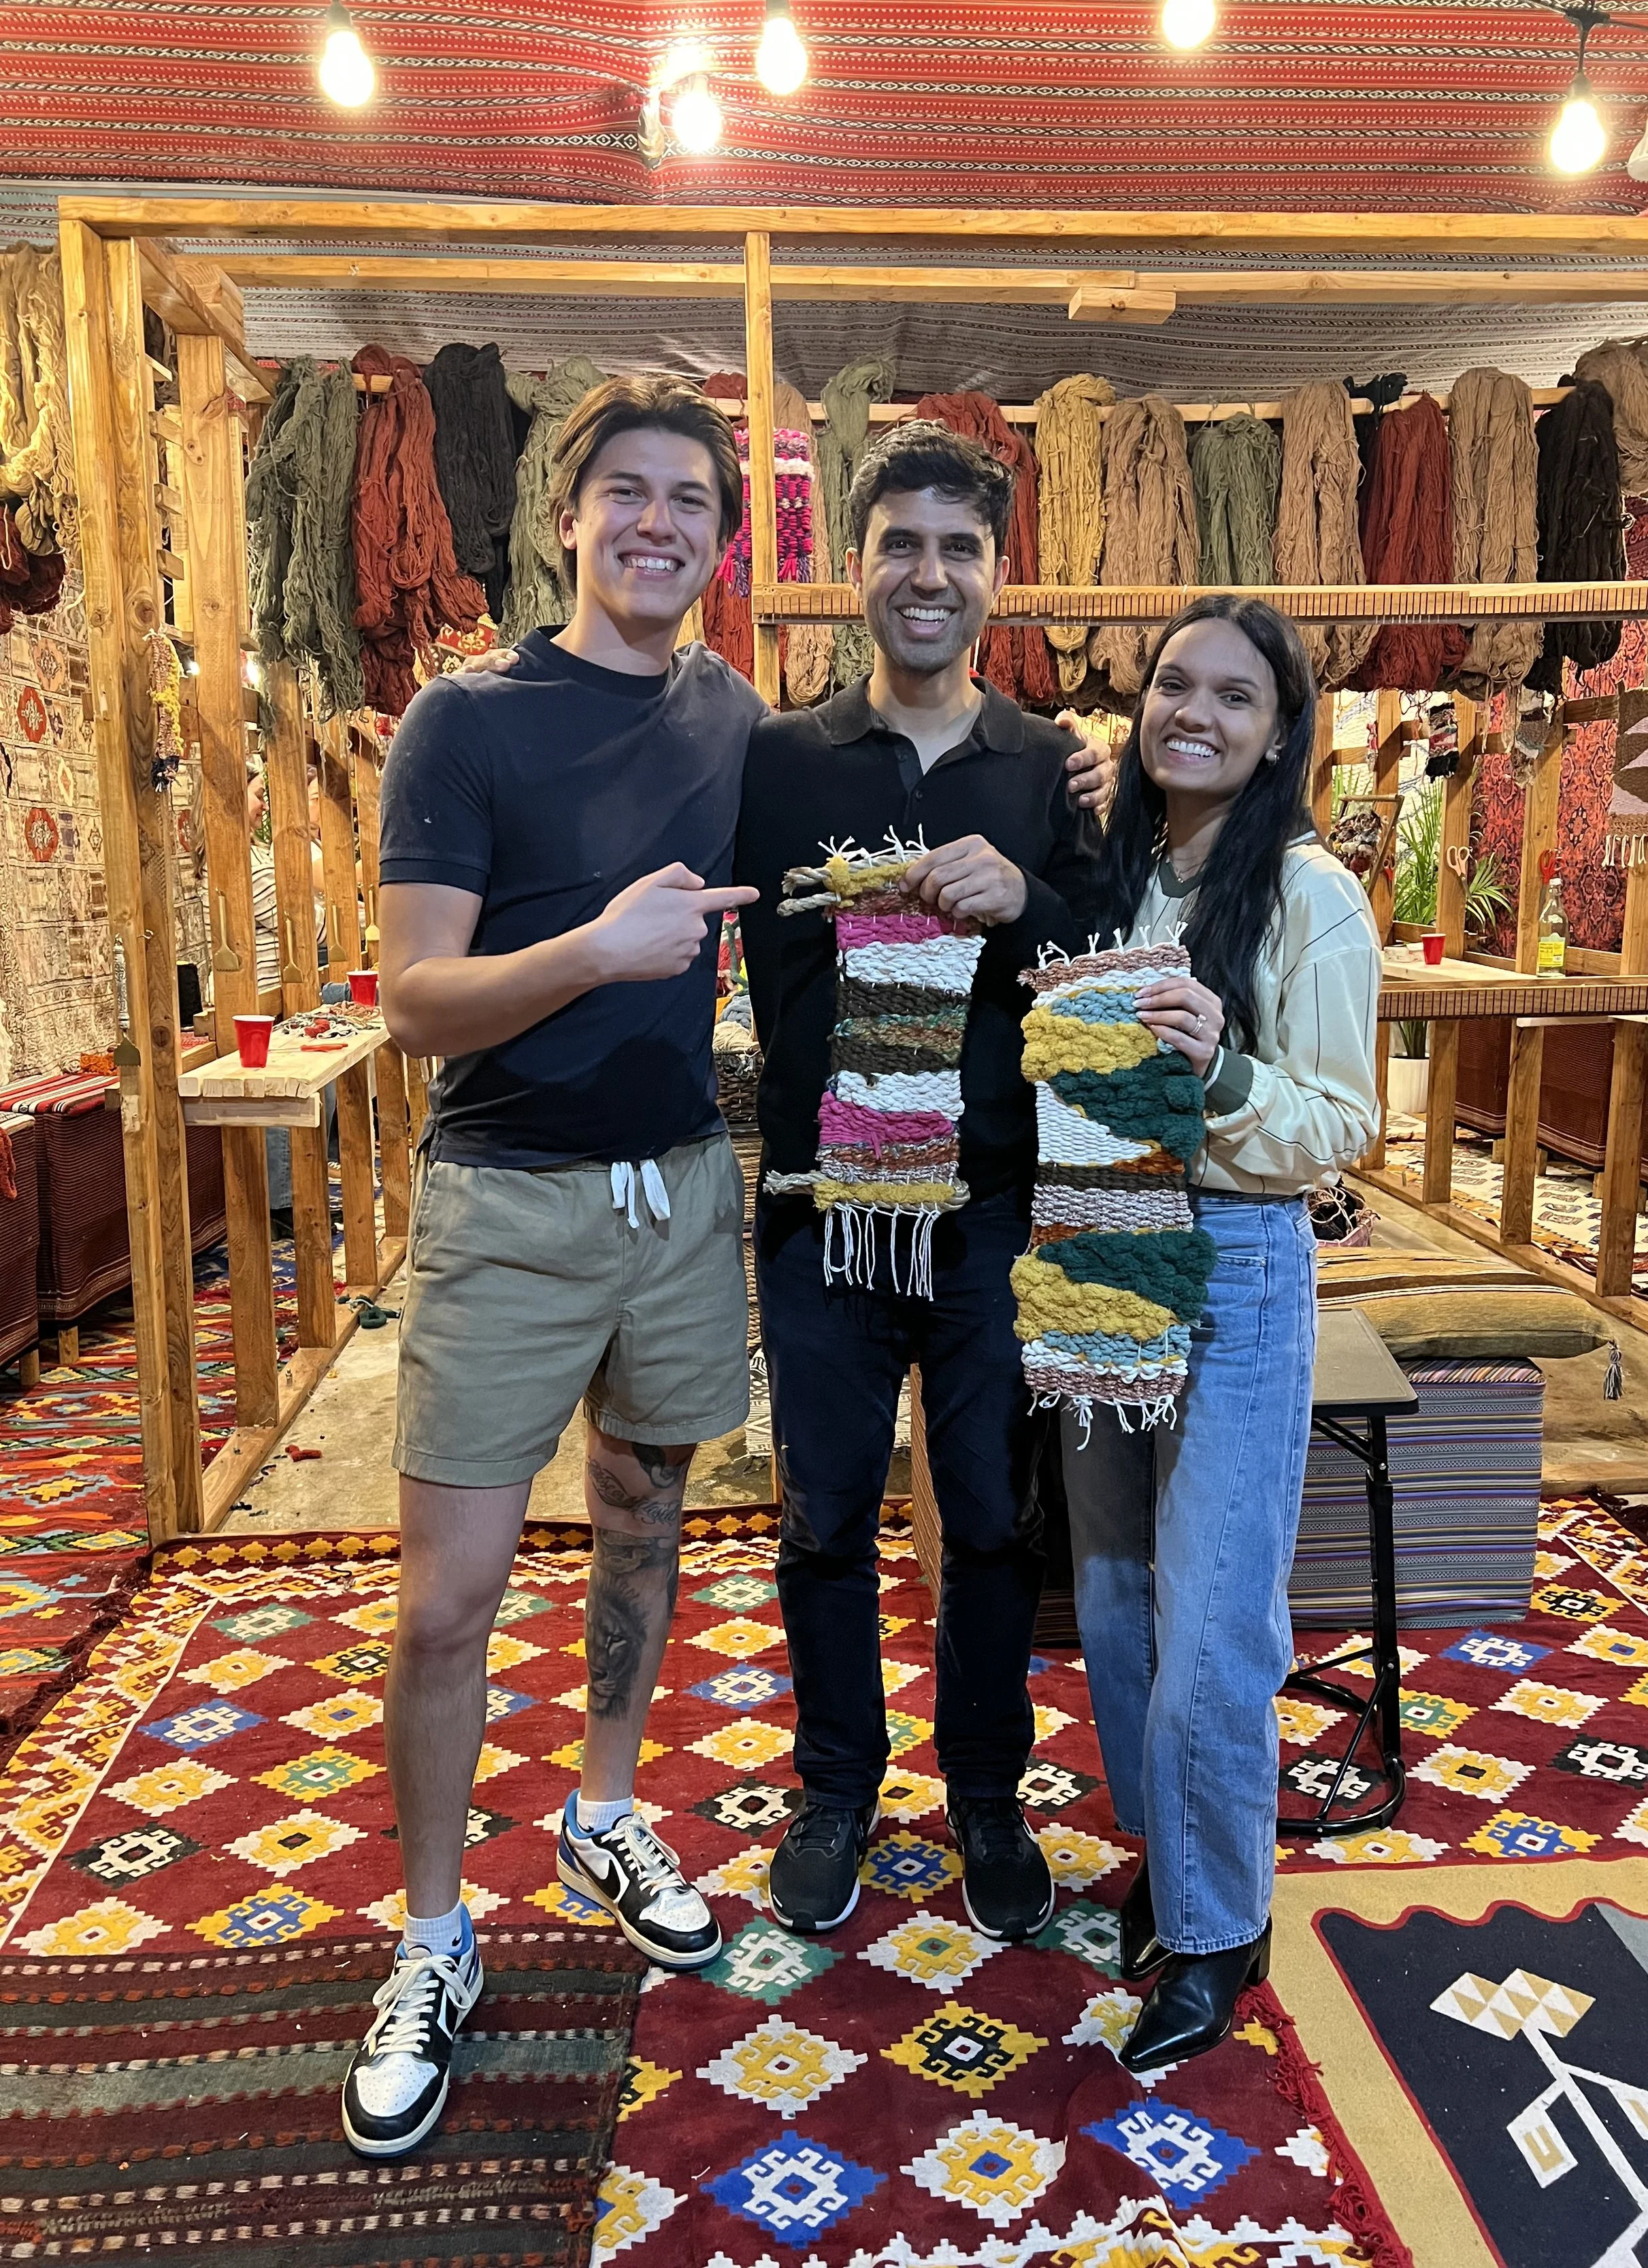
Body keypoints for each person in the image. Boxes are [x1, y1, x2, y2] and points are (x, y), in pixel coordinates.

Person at [342, 374, 765, 2160]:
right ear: (570, 516)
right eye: (630, 492)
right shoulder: (465, 720)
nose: (659, 521)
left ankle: (605, 1804)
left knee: (647, 1516)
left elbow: (864, 821)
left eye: (690, 500)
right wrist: (595, 950)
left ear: (720, 541)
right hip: (506, 1197)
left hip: (678, 1192)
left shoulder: (733, 714)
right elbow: (418, 1003)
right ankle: (429, 1936)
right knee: (448, 1596)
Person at [736, 422, 1102, 1943]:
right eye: (900, 544)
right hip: (821, 1209)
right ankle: (835, 1787)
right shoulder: (770, 761)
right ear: (852, 569)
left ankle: (984, 1792)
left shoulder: (1055, 771)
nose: (928, 574)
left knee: (992, 1520)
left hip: (994, 1213)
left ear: (996, 575)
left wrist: (1028, 898)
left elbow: (1109, 981)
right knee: (820, 1513)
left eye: (958, 548)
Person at [1064, 594, 1380, 2074]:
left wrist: (1226, 1066)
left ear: (1275, 734)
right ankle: (1176, 1860)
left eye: (1232, 697)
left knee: (1214, 1627)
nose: (1192, 712)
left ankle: (1216, 1928)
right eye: (1172, 684)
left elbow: (1344, 1123)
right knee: (1118, 1597)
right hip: (1105, 1237)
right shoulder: (1122, 865)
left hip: (1237, 1257)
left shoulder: (1308, 894)